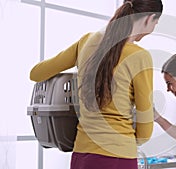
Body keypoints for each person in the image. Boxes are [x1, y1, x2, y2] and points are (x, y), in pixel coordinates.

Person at [30, 0, 163, 169]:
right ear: (149, 19)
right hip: (118, 157)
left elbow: (36, 73)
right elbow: (145, 122)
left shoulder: (85, 41)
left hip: (81, 156)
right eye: (155, 24)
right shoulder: (139, 57)